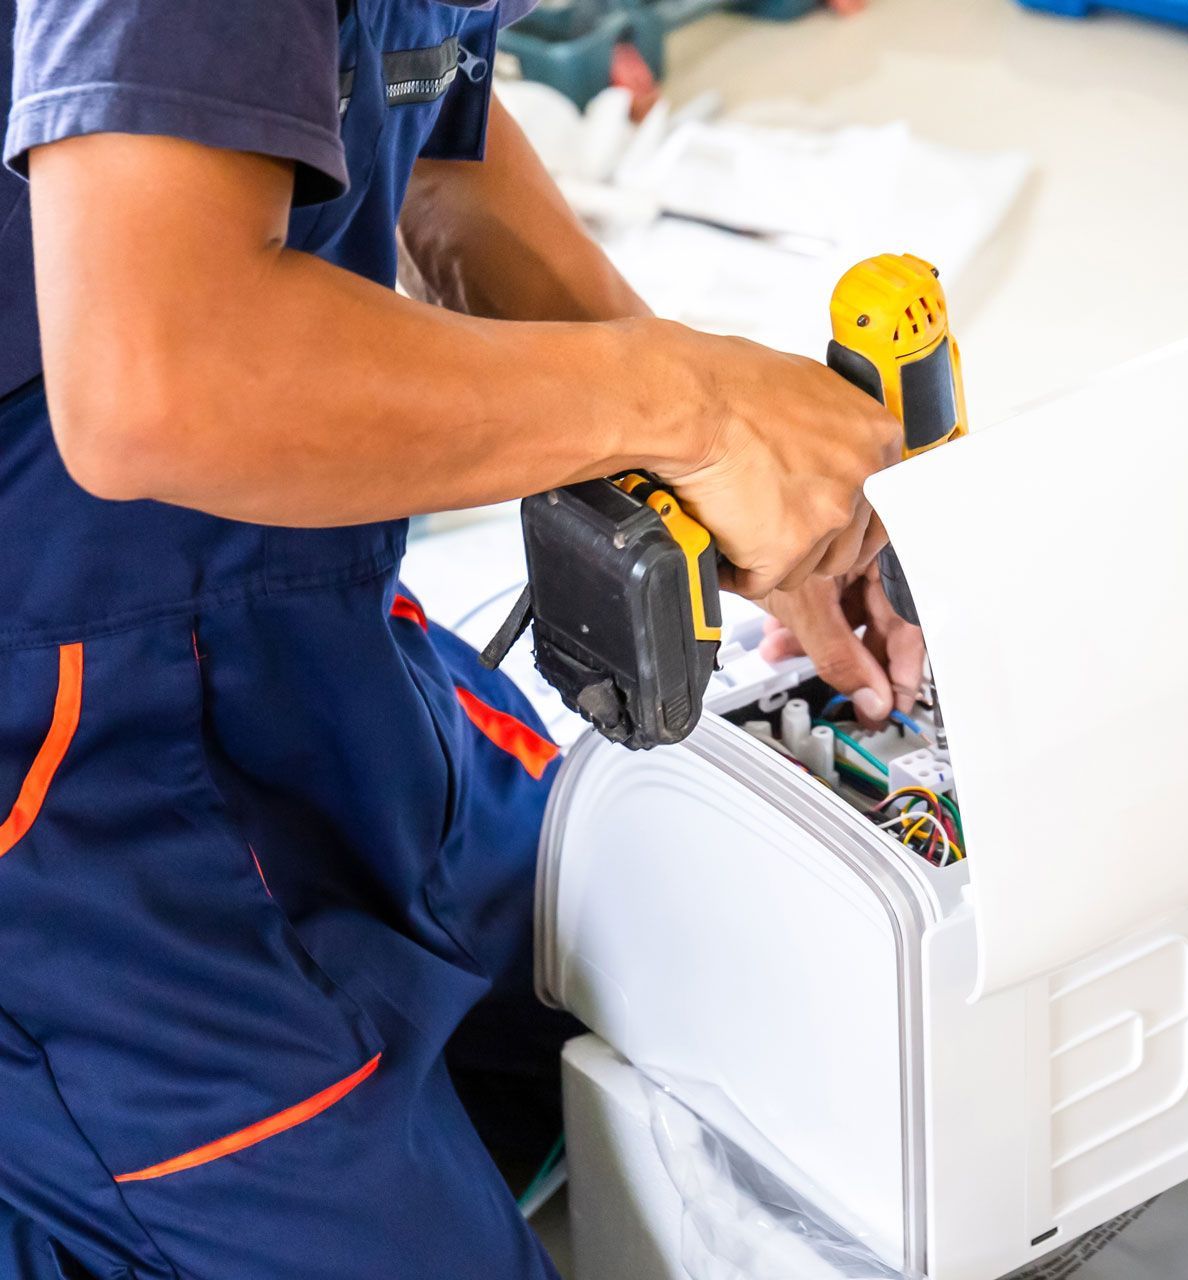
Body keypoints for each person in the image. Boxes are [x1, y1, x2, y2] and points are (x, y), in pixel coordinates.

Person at [0, 1, 926, 1275]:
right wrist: (688, 403)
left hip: (291, 635)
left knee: (696, 994)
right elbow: (156, 372)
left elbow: (436, 146)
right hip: (54, 799)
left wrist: (746, 482)